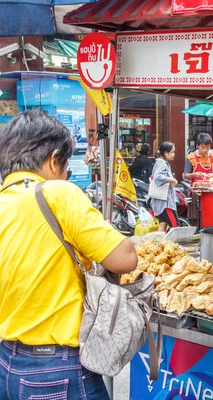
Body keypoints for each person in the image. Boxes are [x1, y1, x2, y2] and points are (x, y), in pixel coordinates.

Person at [0, 109, 137, 399]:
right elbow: (125, 259)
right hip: (57, 368)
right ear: (53, 160)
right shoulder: (57, 193)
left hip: (6, 362)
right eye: (66, 169)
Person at [151, 142, 179, 232]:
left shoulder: (160, 163)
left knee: (163, 224)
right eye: (172, 152)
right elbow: (158, 177)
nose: (174, 154)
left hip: (160, 203)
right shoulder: (162, 164)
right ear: (166, 153)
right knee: (174, 227)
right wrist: (172, 180)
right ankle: (171, 245)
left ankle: (159, 245)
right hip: (165, 204)